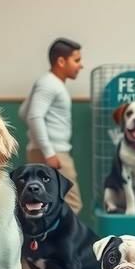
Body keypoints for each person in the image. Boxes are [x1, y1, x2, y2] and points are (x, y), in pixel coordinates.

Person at [20, 37, 84, 213]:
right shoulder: (49, 84)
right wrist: (48, 152)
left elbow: (24, 112)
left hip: (47, 151)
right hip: (53, 153)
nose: (81, 65)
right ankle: (64, 241)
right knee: (72, 203)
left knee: (46, 204)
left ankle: (50, 240)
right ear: (61, 61)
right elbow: (33, 116)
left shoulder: (48, 83)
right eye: (77, 60)